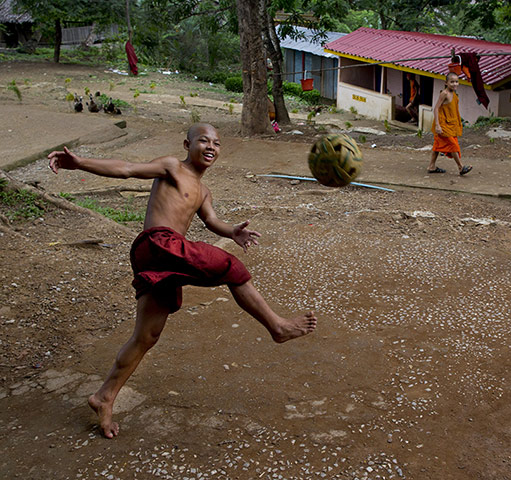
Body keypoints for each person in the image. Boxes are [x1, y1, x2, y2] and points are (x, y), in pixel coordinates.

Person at [47, 123, 317, 438]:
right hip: (159, 243)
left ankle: (104, 397)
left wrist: (232, 231)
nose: (211, 146)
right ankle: (278, 327)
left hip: (164, 261)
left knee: (146, 336)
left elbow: (212, 220)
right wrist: (80, 163)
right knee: (230, 266)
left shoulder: (203, 191)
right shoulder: (172, 167)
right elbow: (127, 169)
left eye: (217, 142)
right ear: (187, 144)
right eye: (203, 140)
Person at [427, 72, 472, 176]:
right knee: (453, 145)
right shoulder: (445, 93)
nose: (455, 84)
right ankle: (461, 168)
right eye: (452, 82)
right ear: (446, 83)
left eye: (456, 82)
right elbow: (436, 108)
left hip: (450, 124)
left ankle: (431, 166)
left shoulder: (454, 94)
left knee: (437, 146)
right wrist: (438, 125)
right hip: (443, 125)